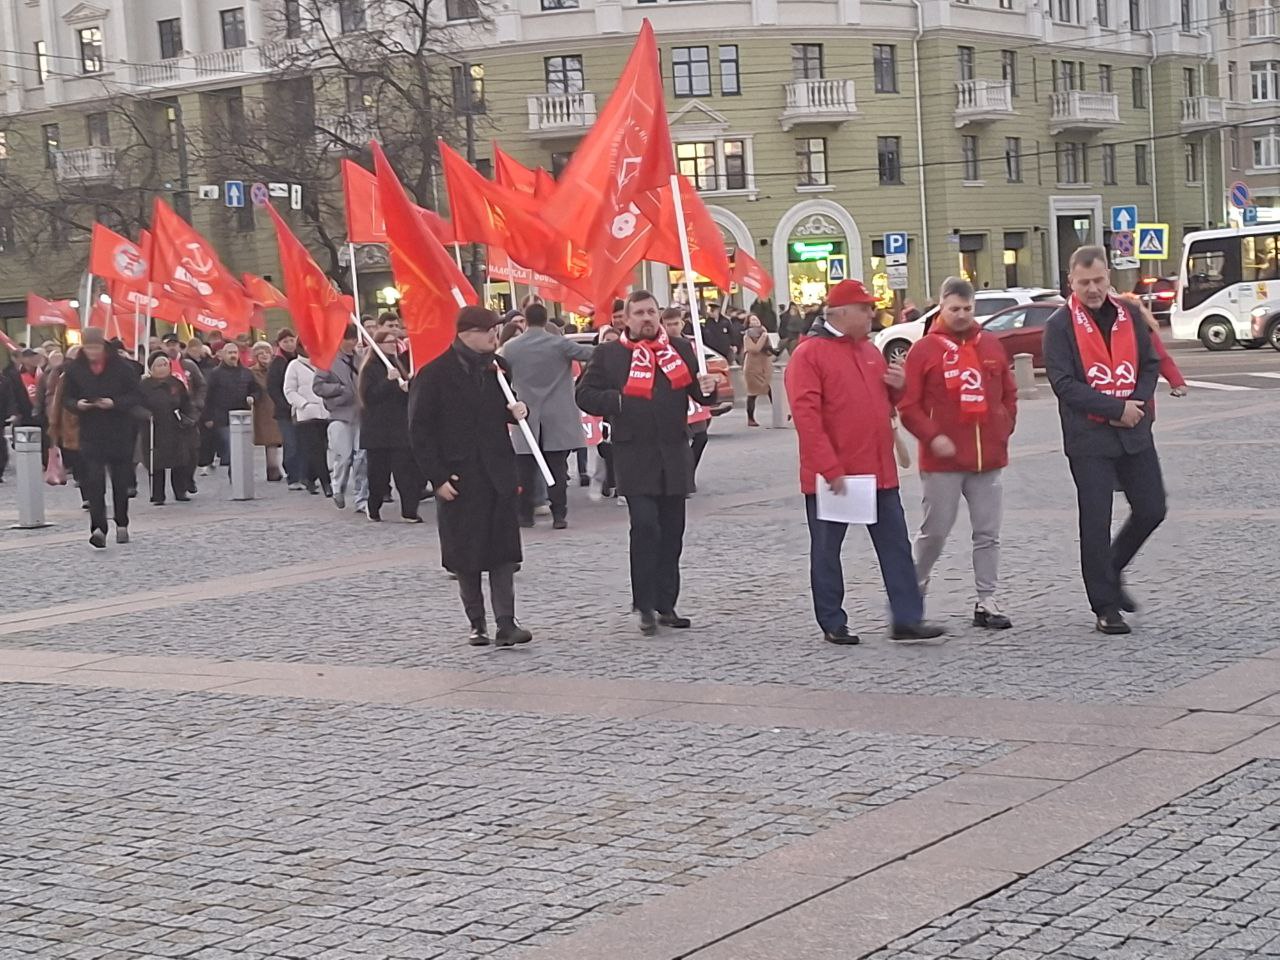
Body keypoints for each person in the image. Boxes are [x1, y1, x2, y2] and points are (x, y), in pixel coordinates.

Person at [785, 278, 945, 646]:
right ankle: (832, 620)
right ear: (841, 313)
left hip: (877, 469)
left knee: (895, 547)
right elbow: (807, 419)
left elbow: (882, 404)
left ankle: (906, 618)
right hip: (836, 475)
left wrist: (897, 386)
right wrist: (830, 468)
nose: (872, 313)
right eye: (865, 308)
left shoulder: (869, 351)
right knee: (827, 551)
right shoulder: (809, 355)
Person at [576, 290, 719, 636]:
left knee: (672, 534)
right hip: (634, 455)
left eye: (651, 312)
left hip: (673, 454)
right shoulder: (610, 354)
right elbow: (583, 394)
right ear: (627, 318)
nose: (646, 318)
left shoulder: (679, 349)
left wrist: (709, 387)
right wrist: (618, 402)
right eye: (639, 313)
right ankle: (643, 605)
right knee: (645, 527)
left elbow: (699, 395)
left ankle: (666, 603)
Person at [1044, 245, 1165, 635]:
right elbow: (1063, 384)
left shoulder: (1128, 314)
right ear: (1071, 282)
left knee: (1152, 508)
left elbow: (1150, 363)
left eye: (1098, 280)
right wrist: (1115, 408)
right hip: (1089, 437)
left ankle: (1111, 567)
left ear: (1108, 276)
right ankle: (1105, 606)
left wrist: (1138, 400)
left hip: (1134, 431)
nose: (1093, 289)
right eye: (1084, 283)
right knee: (1095, 522)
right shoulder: (1059, 325)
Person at [409, 306, 533, 647]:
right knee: (467, 555)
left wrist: (518, 411)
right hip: (459, 477)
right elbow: (419, 431)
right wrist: (437, 479)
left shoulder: (498, 368)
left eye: (497, 330)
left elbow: (503, 409)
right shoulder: (433, 374)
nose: (496, 336)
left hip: (498, 473)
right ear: (467, 333)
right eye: (489, 330)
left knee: (503, 553)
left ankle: (506, 623)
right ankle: (477, 623)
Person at [898, 277, 1018, 630]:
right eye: (955, 309)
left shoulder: (991, 345)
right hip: (943, 461)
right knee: (934, 531)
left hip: (987, 457)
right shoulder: (924, 350)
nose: (962, 315)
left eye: (967, 309)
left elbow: (1008, 393)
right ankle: (913, 594)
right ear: (941, 306)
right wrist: (932, 437)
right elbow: (909, 405)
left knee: (987, 533)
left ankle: (986, 599)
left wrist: (1004, 424)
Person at [498, 302, 595, 529]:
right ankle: (559, 514)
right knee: (557, 469)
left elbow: (499, 368)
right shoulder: (559, 344)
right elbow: (589, 354)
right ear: (546, 319)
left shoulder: (512, 347)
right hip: (556, 415)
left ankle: (525, 515)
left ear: (526, 319)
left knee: (525, 469)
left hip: (525, 414)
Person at [59, 330, 143, 547]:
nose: (92, 353)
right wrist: (77, 405)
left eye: (95, 348)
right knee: (94, 481)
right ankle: (98, 528)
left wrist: (114, 403)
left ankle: (121, 522)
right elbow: (66, 397)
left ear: (103, 347)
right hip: (91, 432)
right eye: (88, 348)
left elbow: (136, 395)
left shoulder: (122, 368)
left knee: (120, 481)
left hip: (119, 431)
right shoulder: (75, 369)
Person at [358, 331, 422, 522]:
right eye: (389, 342)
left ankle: (409, 510)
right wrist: (388, 381)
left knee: (406, 473)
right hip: (377, 430)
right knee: (378, 474)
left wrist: (407, 387)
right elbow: (369, 396)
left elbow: (405, 396)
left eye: (395, 341)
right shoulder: (370, 367)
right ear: (379, 344)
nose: (394, 345)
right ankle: (374, 506)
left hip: (399, 428)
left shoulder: (397, 364)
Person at [313, 323, 368, 512]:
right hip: (340, 413)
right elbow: (318, 386)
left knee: (362, 457)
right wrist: (339, 390)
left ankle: (362, 497)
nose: (352, 342)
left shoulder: (361, 359)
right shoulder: (329, 361)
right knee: (343, 455)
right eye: (349, 339)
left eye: (354, 338)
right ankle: (338, 487)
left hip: (360, 413)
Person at [660, 308, 710, 492]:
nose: (672, 328)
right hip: (675, 400)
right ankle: (682, 477)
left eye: (676, 323)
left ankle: (689, 472)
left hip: (694, 399)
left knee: (701, 437)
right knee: (680, 440)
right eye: (668, 324)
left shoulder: (692, 343)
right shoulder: (661, 346)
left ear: (682, 323)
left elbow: (701, 367)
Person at [139, 352, 197, 505]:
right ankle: (158, 495)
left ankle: (180, 491)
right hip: (154, 428)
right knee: (157, 463)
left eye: (165, 364)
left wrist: (190, 417)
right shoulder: (144, 386)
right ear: (151, 368)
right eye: (159, 365)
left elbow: (186, 403)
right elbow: (137, 405)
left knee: (179, 460)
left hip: (175, 426)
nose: (163, 368)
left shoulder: (176, 384)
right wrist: (146, 414)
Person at [203, 342, 260, 475]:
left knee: (241, 448)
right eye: (230, 353)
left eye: (235, 352)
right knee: (230, 447)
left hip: (242, 416)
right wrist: (208, 417)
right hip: (222, 417)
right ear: (223, 355)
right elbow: (208, 396)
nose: (233, 355)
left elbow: (256, 389)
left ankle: (238, 474)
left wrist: (253, 397)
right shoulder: (215, 374)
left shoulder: (246, 373)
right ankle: (234, 473)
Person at [284, 349, 333, 497]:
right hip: (306, 415)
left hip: (326, 412)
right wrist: (303, 404)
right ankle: (326, 482)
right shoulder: (295, 365)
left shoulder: (324, 363)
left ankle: (309, 477)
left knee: (322, 447)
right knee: (315, 448)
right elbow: (289, 390)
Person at [267, 329, 305, 490]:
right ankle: (293, 476)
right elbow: (273, 388)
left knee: (303, 443)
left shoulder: (300, 359)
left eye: (291, 340)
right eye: (285, 341)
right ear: (279, 344)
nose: (289, 344)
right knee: (291, 444)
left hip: (301, 408)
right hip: (285, 411)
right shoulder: (278, 362)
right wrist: (287, 405)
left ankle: (304, 474)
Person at [246, 342, 284, 481]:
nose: (264, 355)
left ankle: (279, 468)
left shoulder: (276, 369)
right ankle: (272, 469)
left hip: (278, 406)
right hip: (263, 410)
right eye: (260, 353)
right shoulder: (251, 372)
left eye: (266, 352)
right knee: (271, 441)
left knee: (282, 439)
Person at [742, 315, 775, 427]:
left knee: (771, 390)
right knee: (753, 393)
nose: (756, 322)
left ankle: (779, 413)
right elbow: (754, 349)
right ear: (749, 323)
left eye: (757, 319)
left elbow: (769, 348)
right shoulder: (747, 335)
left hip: (764, 366)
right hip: (752, 367)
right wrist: (763, 337)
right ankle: (750, 418)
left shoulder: (764, 332)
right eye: (753, 320)